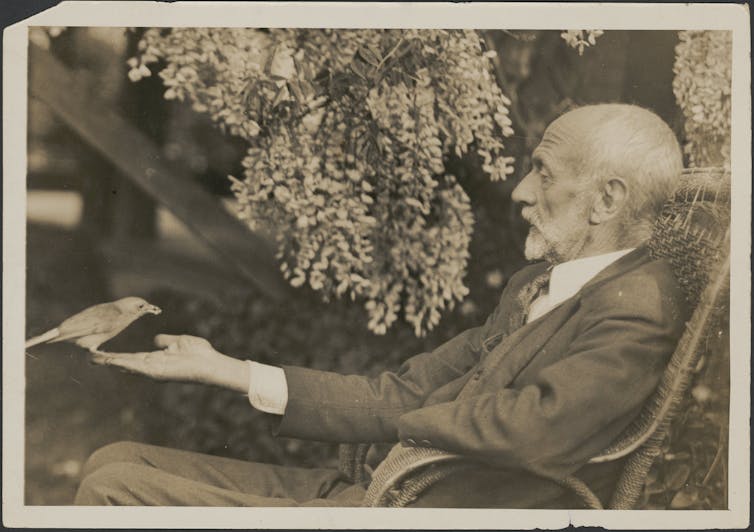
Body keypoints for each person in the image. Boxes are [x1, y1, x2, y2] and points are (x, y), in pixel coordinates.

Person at [75, 103, 688, 507]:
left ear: (607, 200)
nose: (521, 192)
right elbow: (399, 389)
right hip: (379, 489)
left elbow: (533, 430)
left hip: (414, 511)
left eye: (544, 172)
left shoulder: (638, 304)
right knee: (116, 457)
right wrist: (223, 369)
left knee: (112, 493)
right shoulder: (539, 285)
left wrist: (402, 427)